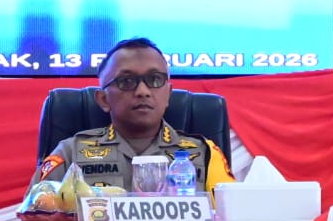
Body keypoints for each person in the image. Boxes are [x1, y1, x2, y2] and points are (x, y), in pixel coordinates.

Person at [30, 36, 234, 196]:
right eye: (127, 81)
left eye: (155, 79)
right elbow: (35, 216)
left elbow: (231, 219)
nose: (142, 91)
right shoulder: (70, 153)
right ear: (103, 99)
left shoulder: (205, 153)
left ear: (168, 94)